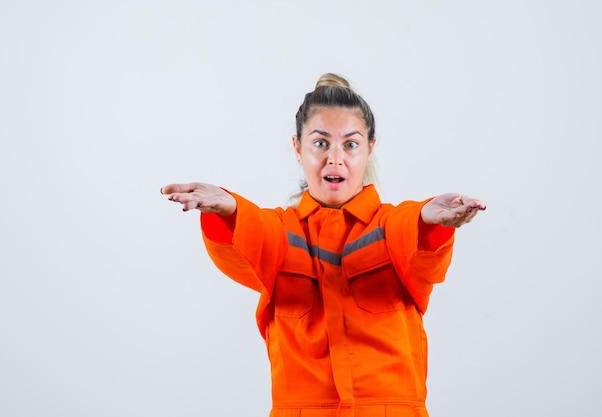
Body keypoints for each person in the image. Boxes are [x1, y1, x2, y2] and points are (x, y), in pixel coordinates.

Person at [161, 73, 486, 417]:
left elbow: (411, 239)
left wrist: (426, 219)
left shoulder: (392, 226)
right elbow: (257, 236)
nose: (335, 158)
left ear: (370, 148)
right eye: (320, 143)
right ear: (298, 148)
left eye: (350, 144)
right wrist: (231, 211)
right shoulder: (281, 231)